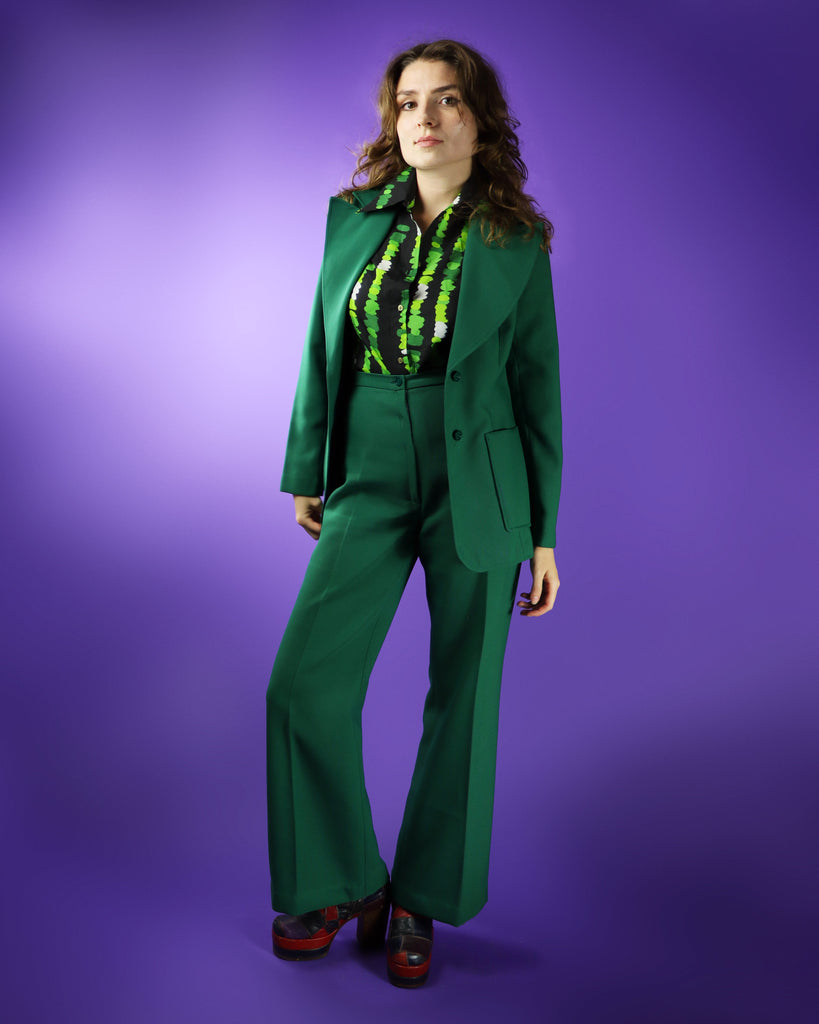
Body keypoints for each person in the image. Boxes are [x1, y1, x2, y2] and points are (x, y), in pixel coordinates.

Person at [266, 38, 563, 988]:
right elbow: (321, 344)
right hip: (370, 461)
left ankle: (420, 901)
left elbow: (537, 390)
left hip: (481, 478)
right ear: (392, 120)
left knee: (462, 698)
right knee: (303, 683)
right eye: (407, 103)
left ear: (480, 120)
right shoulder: (353, 220)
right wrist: (308, 465)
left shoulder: (516, 241)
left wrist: (544, 533)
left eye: (446, 101)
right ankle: (343, 880)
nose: (424, 118)